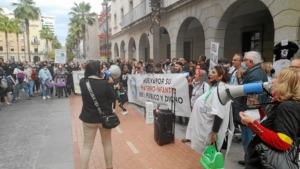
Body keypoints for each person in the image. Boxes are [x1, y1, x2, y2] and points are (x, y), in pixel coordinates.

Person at [240, 68, 300, 169]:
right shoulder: (283, 104)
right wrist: (259, 109)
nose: (272, 80)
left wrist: (252, 124)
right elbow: (272, 124)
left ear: (285, 83)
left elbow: (283, 141)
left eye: (276, 78)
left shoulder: (287, 106)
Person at [185, 65, 232, 154]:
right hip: (202, 127)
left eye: (213, 73)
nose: (210, 74)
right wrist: (200, 110)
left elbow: (219, 113)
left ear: (220, 77)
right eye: (211, 72)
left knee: (208, 156)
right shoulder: (213, 88)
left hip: (207, 131)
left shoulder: (219, 91)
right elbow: (208, 108)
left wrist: (214, 132)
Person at [79, 62, 116, 169]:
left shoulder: (82, 82)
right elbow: (113, 98)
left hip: (88, 118)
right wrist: (111, 84)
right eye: (100, 69)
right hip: (104, 119)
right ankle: (109, 167)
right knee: (107, 143)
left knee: (87, 146)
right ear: (96, 71)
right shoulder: (105, 83)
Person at [182, 69, 209, 142]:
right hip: (193, 107)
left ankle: (197, 138)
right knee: (191, 122)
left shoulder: (205, 86)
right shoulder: (195, 83)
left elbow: (207, 98)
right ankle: (189, 137)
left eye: (196, 74)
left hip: (201, 108)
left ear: (201, 76)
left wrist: (203, 109)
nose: (195, 75)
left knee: (199, 122)